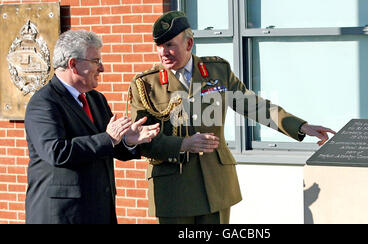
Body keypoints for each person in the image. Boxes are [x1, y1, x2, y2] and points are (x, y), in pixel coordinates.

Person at [129, 11, 336, 224]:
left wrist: (300, 126)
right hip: (173, 193)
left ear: (189, 43)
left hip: (215, 188)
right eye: (159, 45)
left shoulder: (217, 71)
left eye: (170, 45)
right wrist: (184, 144)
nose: (163, 52)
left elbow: (255, 106)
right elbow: (141, 140)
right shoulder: (145, 85)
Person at [24, 30, 160, 224]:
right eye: (96, 61)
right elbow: (56, 152)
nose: (102, 68)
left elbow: (105, 146)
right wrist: (109, 138)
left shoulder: (96, 99)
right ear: (73, 64)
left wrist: (127, 141)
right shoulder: (44, 103)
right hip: (62, 216)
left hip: (99, 211)